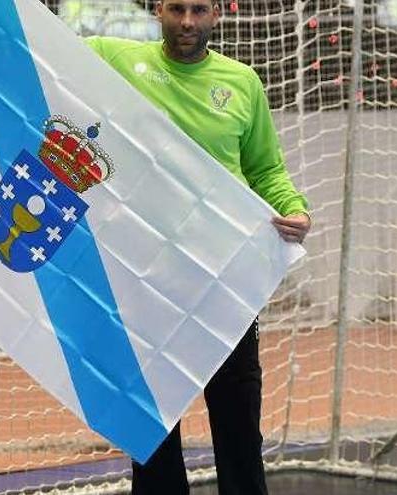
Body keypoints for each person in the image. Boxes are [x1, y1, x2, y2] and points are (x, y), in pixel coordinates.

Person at [85, 1, 311, 493]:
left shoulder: (242, 83)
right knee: (153, 429)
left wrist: (295, 208)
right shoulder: (116, 58)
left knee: (237, 422)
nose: (187, 22)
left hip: (225, 280)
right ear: (159, 11)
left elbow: (266, 170)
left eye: (199, 10)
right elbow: (39, 53)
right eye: (177, 9)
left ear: (218, 16)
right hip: (147, 282)